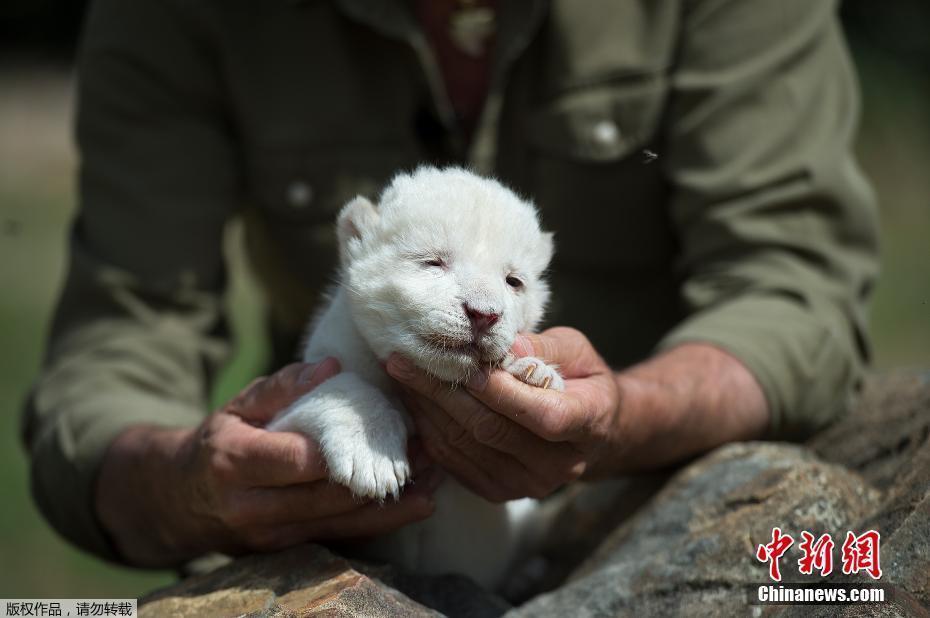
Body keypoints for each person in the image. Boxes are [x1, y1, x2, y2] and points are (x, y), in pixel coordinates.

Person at [22, 0, 878, 570]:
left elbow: (795, 278)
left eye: (509, 282)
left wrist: (625, 417)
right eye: (432, 267)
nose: (480, 303)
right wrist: (185, 486)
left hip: (631, 509)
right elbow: (122, 331)